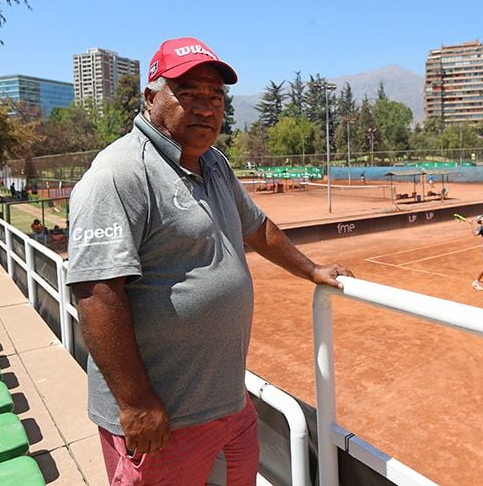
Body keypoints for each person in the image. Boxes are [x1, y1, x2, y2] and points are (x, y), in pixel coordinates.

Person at [65, 36, 354, 486]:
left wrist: (312, 270)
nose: (205, 107)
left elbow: (257, 228)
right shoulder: (119, 174)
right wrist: (136, 403)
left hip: (228, 403)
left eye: (215, 97)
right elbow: (96, 293)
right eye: (190, 94)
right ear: (151, 97)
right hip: (164, 420)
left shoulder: (213, 162)